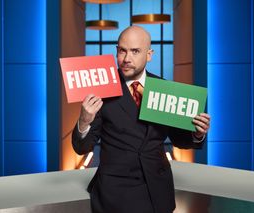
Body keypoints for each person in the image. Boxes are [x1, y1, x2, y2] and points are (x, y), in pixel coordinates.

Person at [72, 26, 210, 213]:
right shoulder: (102, 88)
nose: (126, 59)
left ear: (149, 54)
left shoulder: (164, 88)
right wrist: (83, 121)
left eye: (135, 51)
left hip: (157, 191)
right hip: (114, 194)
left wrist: (196, 133)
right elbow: (82, 147)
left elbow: (179, 139)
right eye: (122, 50)